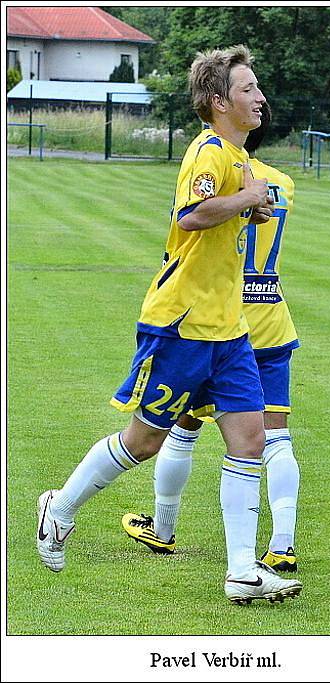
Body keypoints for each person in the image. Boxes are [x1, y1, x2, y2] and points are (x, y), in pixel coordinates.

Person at [36, 45, 303, 605]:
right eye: (248, 89)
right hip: (180, 325)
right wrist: (247, 198)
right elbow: (191, 216)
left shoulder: (239, 157)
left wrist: (246, 203)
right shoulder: (209, 153)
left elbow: (223, 215)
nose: (260, 97)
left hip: (228, 330)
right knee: (145, 441)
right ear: (218, 101)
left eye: (258, 87)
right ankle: (58, 509)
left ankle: (242, 571)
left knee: (251, 438)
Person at [122, 102, 302, 574]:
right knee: (274, 434)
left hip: (222, 318)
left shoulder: (231, 173)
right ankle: (282, 542)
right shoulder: (280, 183)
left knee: (183, 425)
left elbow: (195, 221)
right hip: (272, 314)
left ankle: (163, 527)